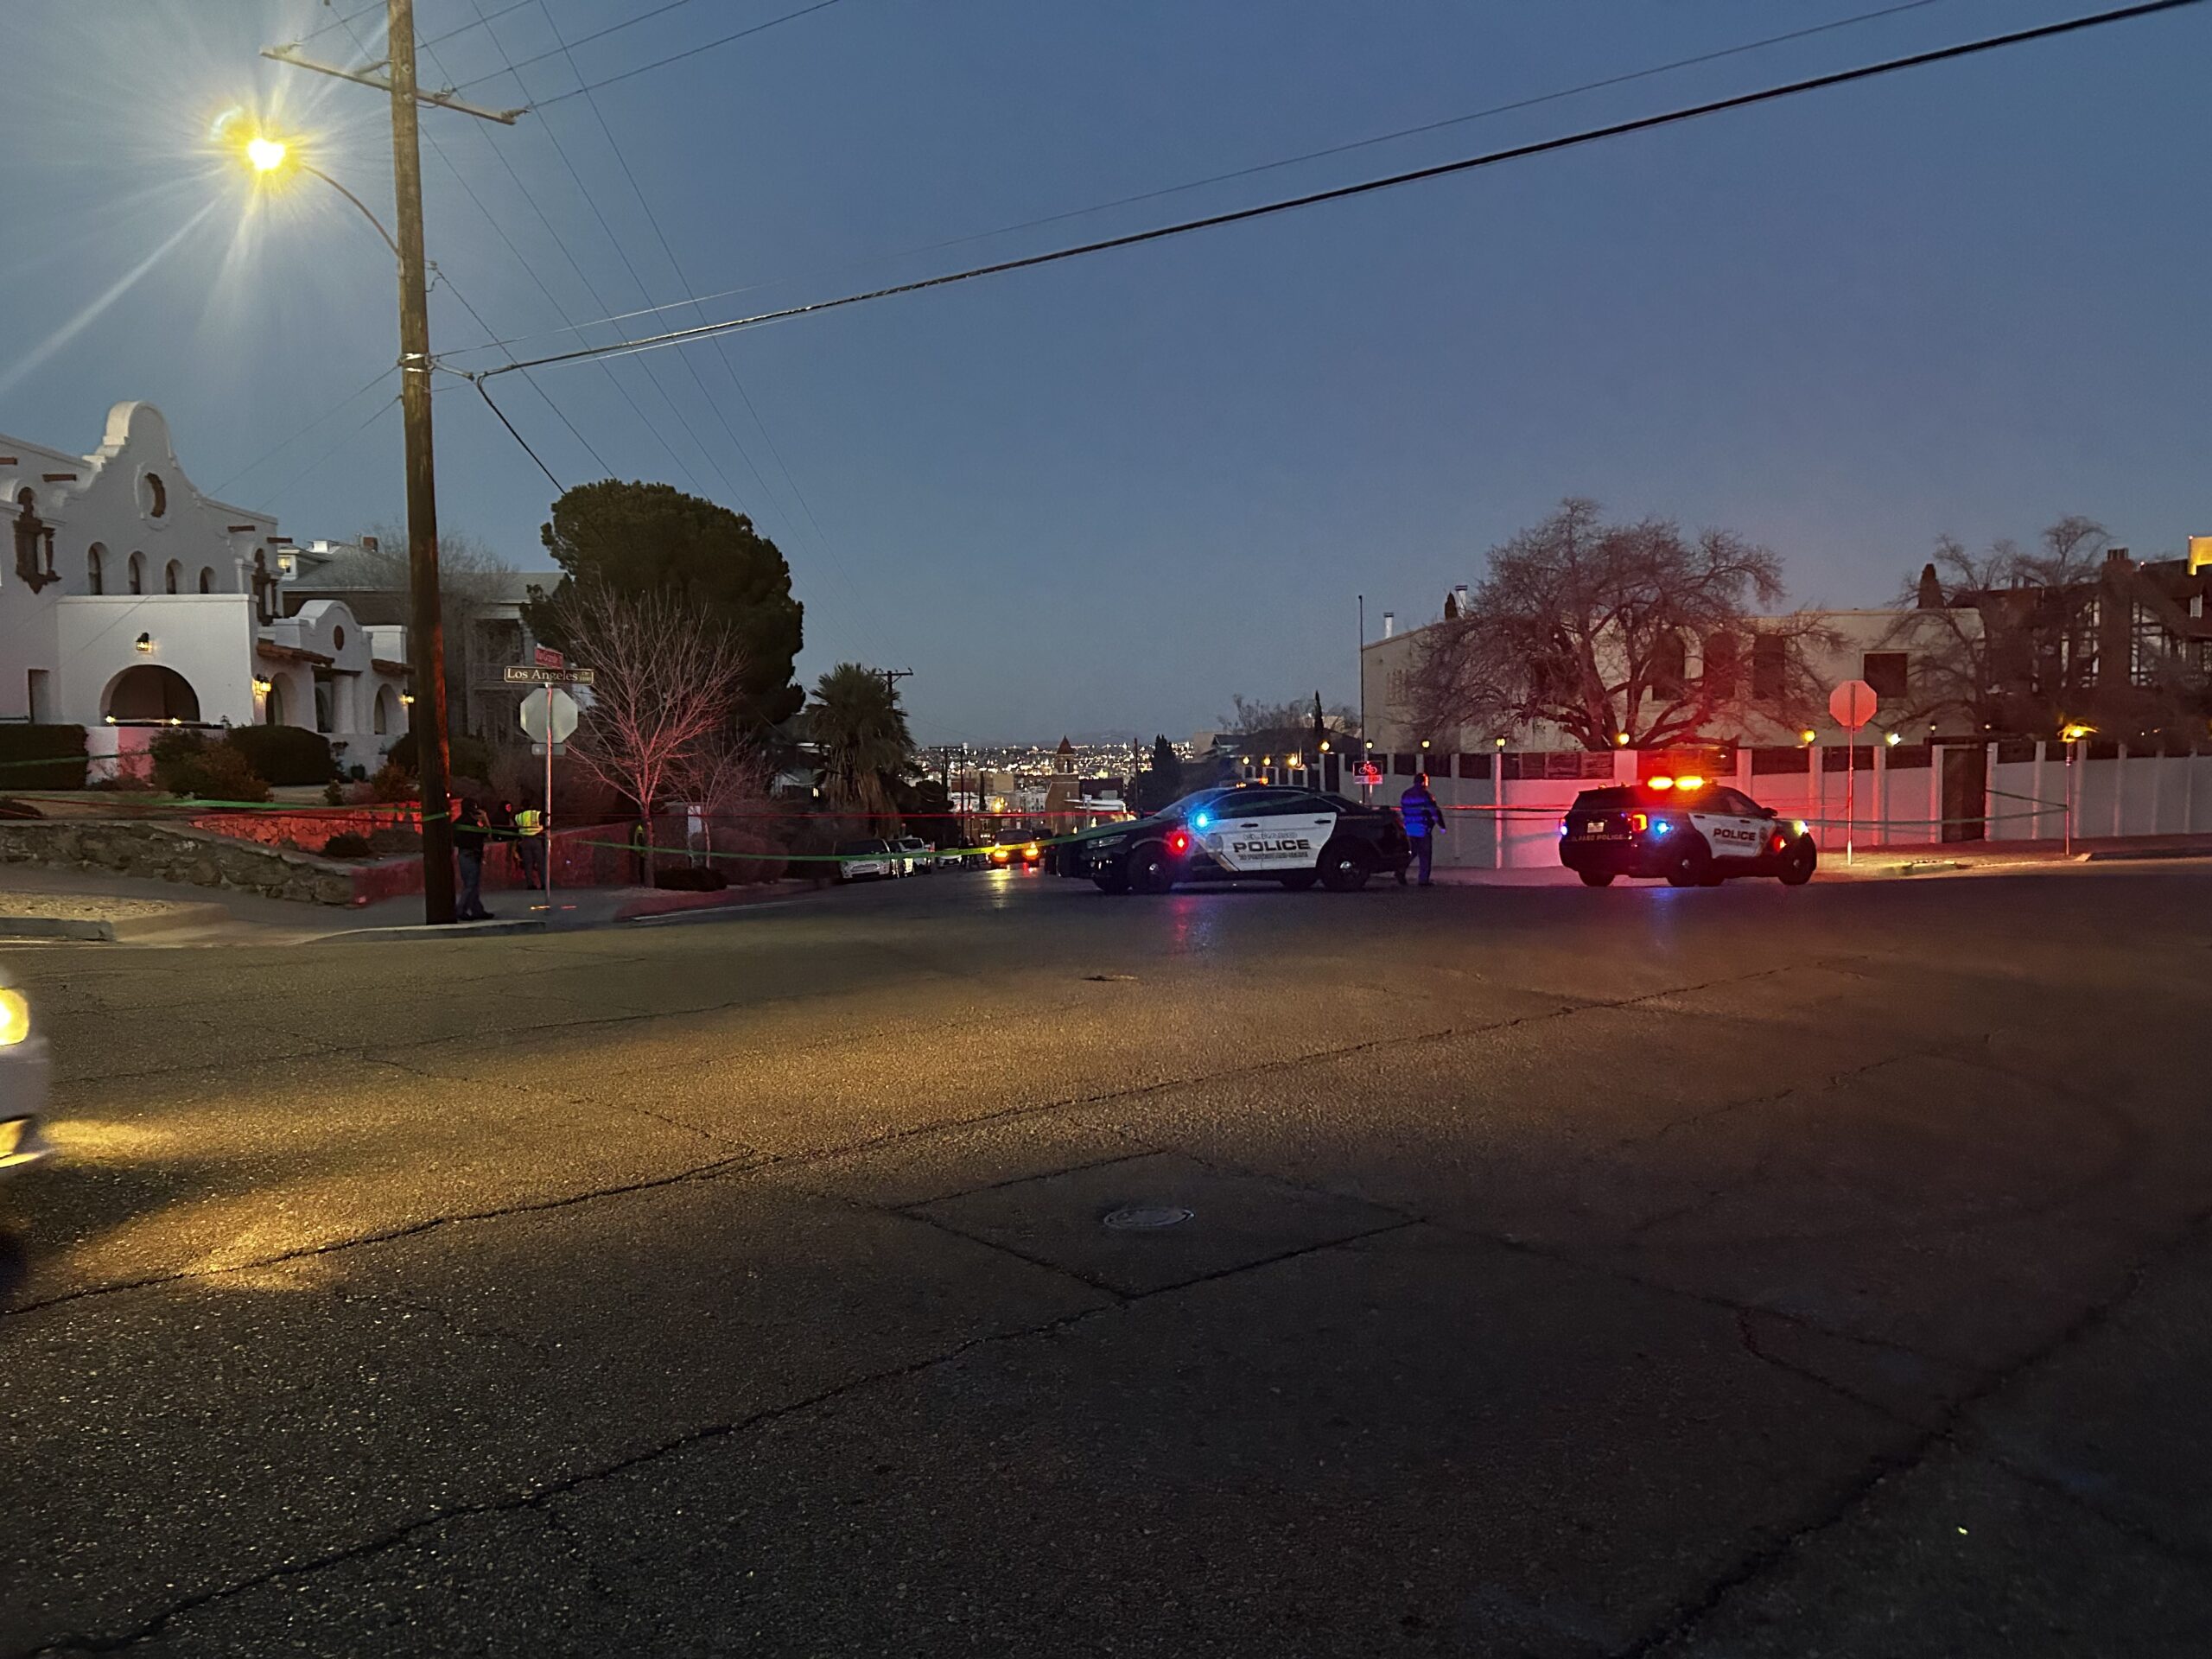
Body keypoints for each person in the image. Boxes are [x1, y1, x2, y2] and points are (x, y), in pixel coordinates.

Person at [1398, 771, 1446, 887]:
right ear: (1424, 782)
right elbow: (1434, 813)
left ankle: (1400, 870)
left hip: (1409, 827)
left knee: (1411, 852)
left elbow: (1403, 810)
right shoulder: (1426, 795)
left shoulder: (1406, 794)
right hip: (1422, 828)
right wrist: (1441, 826)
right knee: (1425, 854)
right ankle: (1423, 880)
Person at [453, 798, 493, 920]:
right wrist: (485, 818)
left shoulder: (458, 822)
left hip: (464, 854)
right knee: (471, 885)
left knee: (472, 884)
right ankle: (461, 910)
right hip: (471, 855)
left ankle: (477, 910)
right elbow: (488, 833)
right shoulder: (471, 823)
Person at [512, 800, 546, 890]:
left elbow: (515, 825)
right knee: (540, 862)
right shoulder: (536, 813)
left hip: (525, 841)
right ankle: (544, 883)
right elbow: (544, 817)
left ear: (522, 807)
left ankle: (530, 884)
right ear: (531, 806)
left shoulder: (519, 816)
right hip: (536, 839)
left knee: (528, 864)